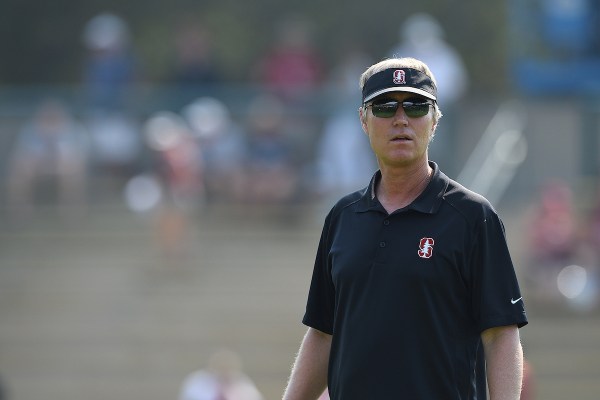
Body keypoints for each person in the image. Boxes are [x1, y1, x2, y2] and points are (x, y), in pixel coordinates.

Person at [282, 57, 528, 400]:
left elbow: (501, 333)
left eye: (416, 106)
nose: (401, 120)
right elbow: (323, 334)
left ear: (435, 120)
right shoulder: (342, 216)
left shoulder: (472, 216)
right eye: (384, 107)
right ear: (364, 121)